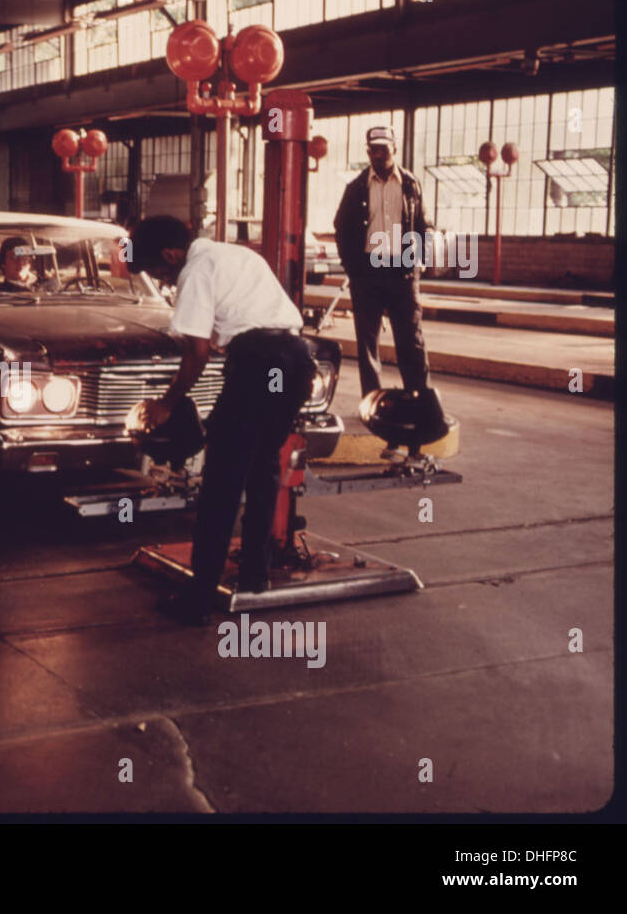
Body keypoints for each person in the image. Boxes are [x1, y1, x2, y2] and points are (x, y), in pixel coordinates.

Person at [130, 215, 317, 625]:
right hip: (296, 362)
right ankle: (254, 575)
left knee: (222, 480)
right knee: (264, 465)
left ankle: (198, 599)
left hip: (260, 361)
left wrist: (167, 402)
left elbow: (196, 353)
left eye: (158, 269)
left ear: (170, 255)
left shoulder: (195, 270)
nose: (162, 278)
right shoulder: (234, 254)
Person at [333, 126, 434, 398]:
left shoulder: (411, 185)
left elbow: (425, 225)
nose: (379, 155)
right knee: (368, 342)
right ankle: (372, 398)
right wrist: (353, 267)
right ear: (368, 152)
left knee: (411, 339)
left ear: (395, 150)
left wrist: (420, 260)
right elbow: (341, 227)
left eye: (384, 149)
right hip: (367, 273)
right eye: (374, 150)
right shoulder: (356, 187)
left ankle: (419, 395)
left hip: (402, 273)